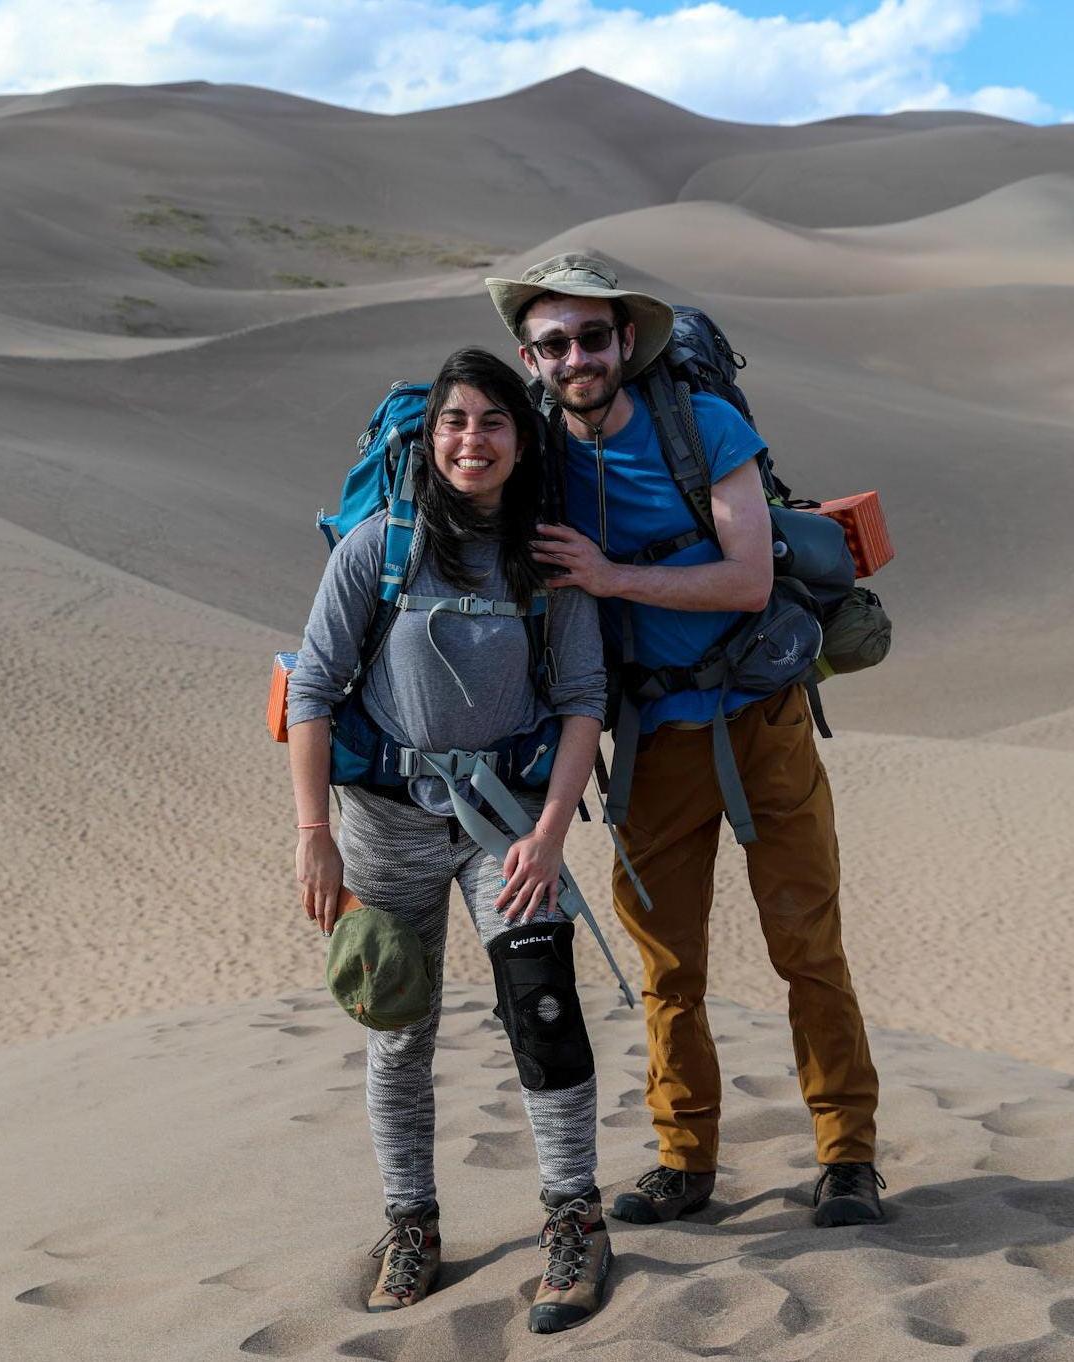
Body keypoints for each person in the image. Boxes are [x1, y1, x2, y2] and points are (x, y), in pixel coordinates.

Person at [483, 254, 885, 1229]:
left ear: (627, 340)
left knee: (808, 948)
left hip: (762, 719)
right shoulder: (535, 462)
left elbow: (748, 579)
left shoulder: (703, 427)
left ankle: (847, 1156)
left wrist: (612, 577)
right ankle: (684, 1157)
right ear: (531, 360)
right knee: (669, 966)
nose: (576, 357)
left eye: (592, 336)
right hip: (651, 740)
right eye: (554, 343)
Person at [285, 347, 614, 1331]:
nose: (472, 440)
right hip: (382, 828)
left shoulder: (550, 562)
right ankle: (412, 1225)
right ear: (428, 438)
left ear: (522, 440)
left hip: (509, 829)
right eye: (454, 422)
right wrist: (313, 834)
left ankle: (575, 1219)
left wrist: (551, 836)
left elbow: (583, 703)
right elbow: (311, 688)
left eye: (493, 422)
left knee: (544, 1012)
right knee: (399, 1033)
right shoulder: (377, 549)